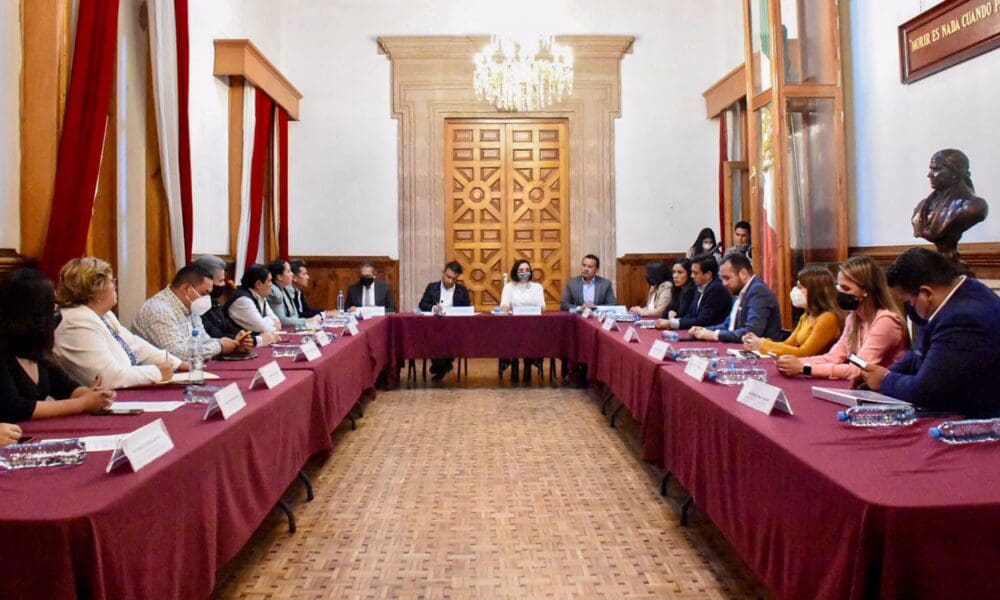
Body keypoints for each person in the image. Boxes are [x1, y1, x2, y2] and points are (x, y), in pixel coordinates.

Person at [859, 248, 1000, 417]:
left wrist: (884, 380)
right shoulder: (962, 293)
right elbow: (920, 352)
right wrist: (882, 373)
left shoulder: (962, 318)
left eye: (907, 301)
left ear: (926, 293)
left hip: (978, 420)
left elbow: (927, 391)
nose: (909, 308)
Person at [1, 268, 115, 422]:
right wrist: (82, 404)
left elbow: (65, 386)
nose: (56, 311)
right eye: (52, 306)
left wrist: (91, 394)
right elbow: (16, 408)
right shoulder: (4, 352)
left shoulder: (35, 350)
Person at [54, 257, 184, 389]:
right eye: (111, 281)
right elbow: (108, 378)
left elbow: (134, 345)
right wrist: (156, 372)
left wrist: (177, 363)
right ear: (97, 289)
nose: (114, 286)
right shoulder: (76, 324)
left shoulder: (104, 315)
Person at [776, 255, 907, 383]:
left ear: (866, 291)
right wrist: (796, 362)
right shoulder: (853, 318)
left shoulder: (886, 321)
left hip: (887, 391)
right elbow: (834, 357)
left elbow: (859, 370)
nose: (840, 293)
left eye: (846, 288)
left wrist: (804, 368)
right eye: (839, 287)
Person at [132, 264, 252, 359]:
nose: (207, 299)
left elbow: (203, 340)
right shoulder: (159, 309)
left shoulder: (190, 306)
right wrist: (219, 347)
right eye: (204, 293)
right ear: (187, 289)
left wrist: (232, 344)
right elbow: (175, 353)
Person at [743, 266, 843, 357]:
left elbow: (805, 352)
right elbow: (788, 344)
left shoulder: (828, 318)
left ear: (815, 291)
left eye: (800, 287)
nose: (795, 290)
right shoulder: (806, 315)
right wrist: (759, 342)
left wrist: (763, 344)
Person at [911, 149, 989, 262]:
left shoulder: (973, 207)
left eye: (936, 169)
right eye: (931, 169)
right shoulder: (922, 206)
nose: (929, 175)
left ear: (955, 173)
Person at [690, 253, 781, 342]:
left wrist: (715, 335)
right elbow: (729, 325)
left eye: (727, 278)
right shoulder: (740, 290)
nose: (724, 284)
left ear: (743, 274)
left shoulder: (758, 291)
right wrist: (704, 330)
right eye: (722, 279)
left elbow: (751, 332)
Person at [418, 261, 473, 380]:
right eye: (448, 277)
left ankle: (441, 366)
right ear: (443, 273)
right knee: (433, 337)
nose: (450, 281)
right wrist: (433, 308)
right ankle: (443, 366)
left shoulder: (462, 291)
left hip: (455, 328)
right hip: (434, 326)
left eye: (454, 279)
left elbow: (467, 310)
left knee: (449, 338)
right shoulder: (432, 287)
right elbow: (422, 304)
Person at [655, 254, 731, 330]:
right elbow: (690, 314)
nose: (692, 276)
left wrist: (672, 323)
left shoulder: (716, 289)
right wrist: (674, 322)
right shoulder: (699, 286)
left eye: (695, 273)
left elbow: (703, 321)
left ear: (708, 274)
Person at [499, 259, 546, 383]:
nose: (524, 272)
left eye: (527, 270)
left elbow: (542, 307)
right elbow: (504, 306)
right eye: (521, 270)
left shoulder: (537, 287)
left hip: (533, 325)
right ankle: (514, 363)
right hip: (513, 326)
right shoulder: (508, 287)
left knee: (531, 334)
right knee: (511, 334)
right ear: (515, 271)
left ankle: (528, 364)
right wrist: (506, 308)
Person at [191, 255, 254, 344]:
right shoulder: (197, 305)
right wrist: (239, 339)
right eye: (221, 281)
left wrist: (245, 336)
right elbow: (213, 334)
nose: (224, 284)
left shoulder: (214, 302)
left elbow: (227, 326)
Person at [225, 264, 283, 346]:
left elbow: (278, 322)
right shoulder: (242, 300)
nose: (272, 285)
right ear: (258, 284)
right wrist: (271, 322)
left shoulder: (260, 296)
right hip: (237, 346)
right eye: (269, 281)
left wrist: (268, 322)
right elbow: (262, 327)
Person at [266, 258, 320, 327]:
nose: (292, 274)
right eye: (289, 271)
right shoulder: (274, 291)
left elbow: (295, 315)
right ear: (279, 277)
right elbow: (282, 320)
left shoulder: (286, 288)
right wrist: (308, 320)